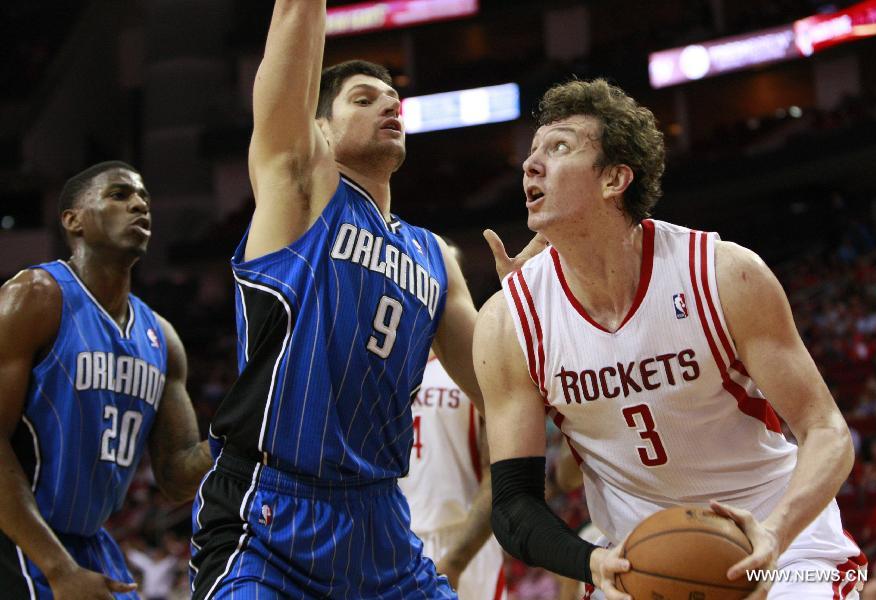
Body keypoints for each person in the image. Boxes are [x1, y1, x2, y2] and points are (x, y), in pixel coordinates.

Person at [473, 77, 866, 600]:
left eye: (559, 147)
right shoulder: (508, 320)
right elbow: (513, 505)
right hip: (636, 559)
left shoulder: (721, 273)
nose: (530, 164)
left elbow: (827, 433)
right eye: (532, 152)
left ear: (614, 179)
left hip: (781, 539)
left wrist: (774, 534)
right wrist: (592, 562)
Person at [189, 2, 491, 598]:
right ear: (319, 128)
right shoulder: (299, 194)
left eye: (392, 97)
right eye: (363, 97)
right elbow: (290, 43)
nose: (389, 104)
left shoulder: (436, 257)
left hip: (381, 524)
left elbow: (499, 385)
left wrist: (548, 300)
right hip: (271, 514)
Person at [0, 161, 211, 599]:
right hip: (16, 536)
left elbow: (175, 478)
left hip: (90, 545)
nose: (139, 205)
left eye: (144, 199)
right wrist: (58, 568)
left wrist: (240, 433)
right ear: (72, 220)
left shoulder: (162, 338)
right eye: (119, 195)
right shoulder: (35, 296)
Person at [398, 350, 506, 600]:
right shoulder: (384, 359)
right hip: (399, 538)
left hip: (466, 539)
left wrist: (457, 560)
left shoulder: (474, 355)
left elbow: (501, 472)